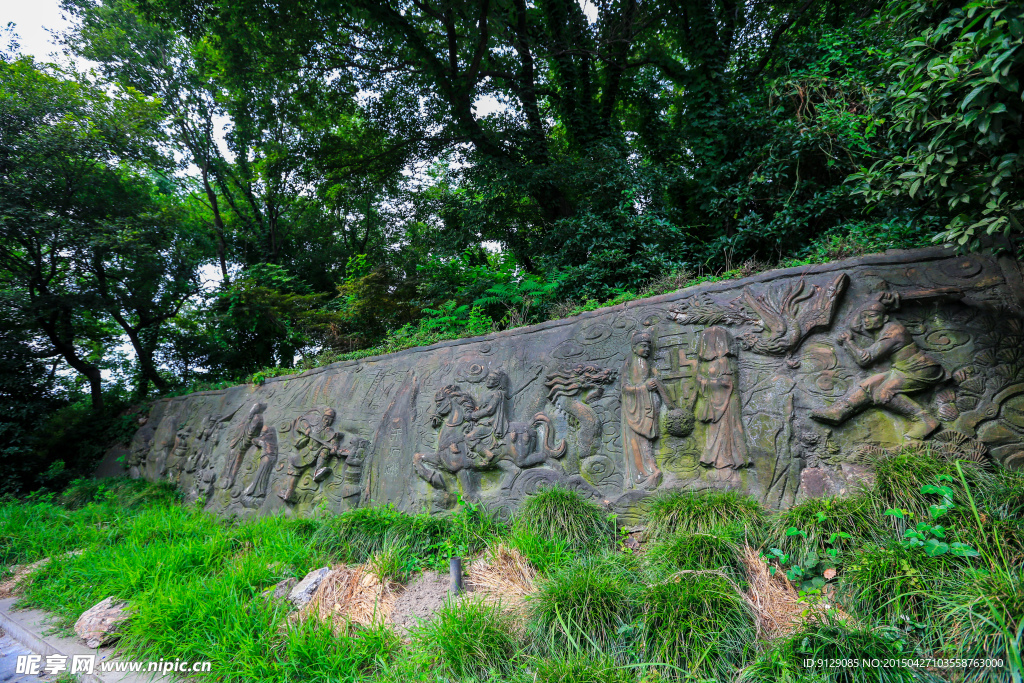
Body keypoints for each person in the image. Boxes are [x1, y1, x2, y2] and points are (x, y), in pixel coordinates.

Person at [811, 297, 945, 440]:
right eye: (864, 317)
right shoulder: (879, 327)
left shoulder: (894, 332)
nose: (866, 321)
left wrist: (848, 342)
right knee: (870, 383)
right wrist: (875, 298)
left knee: (883, 394)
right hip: (903, 369)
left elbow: (865, 359)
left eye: (872, 316)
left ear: (885, 317)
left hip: (921, 369)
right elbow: (855, 325)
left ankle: (925, 420)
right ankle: (839, 411)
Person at [682, 326, 751, 471]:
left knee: (727, 431)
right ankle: (712, 459)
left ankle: (728, 460)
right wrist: (701, 382)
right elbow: (699, 382)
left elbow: (727, 383)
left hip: (725, 403)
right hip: (712, 403)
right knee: (712, 433)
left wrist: (706, 382)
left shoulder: (723, 361)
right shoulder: (703, 364)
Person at [620, 331, 672, 489]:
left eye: (649, 347)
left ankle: (651, 469)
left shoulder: (646, 363)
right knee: (637, 441)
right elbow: (624, 387)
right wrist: (643, 387)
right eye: (643, 346)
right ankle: (643, 473)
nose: (647, 350)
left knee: (646, 441)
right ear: (634, 348)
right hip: (634, 409)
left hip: (646, 407)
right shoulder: (630, 361)